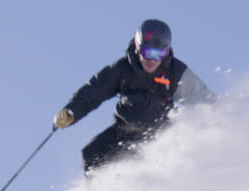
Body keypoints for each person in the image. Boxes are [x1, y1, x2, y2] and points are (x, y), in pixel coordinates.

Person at [54, 19, 215, 173]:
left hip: (161, 135)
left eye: (158, 54)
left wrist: (224, 117)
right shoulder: (122, 69)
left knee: (167, 159)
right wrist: (71, 112)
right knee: (91, 155)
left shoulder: (175, 71)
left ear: (166, 53)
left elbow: (203, 98)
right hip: (125, 131)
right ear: (138, 48)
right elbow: (92, 93)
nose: (151, 60)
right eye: (147, 52)